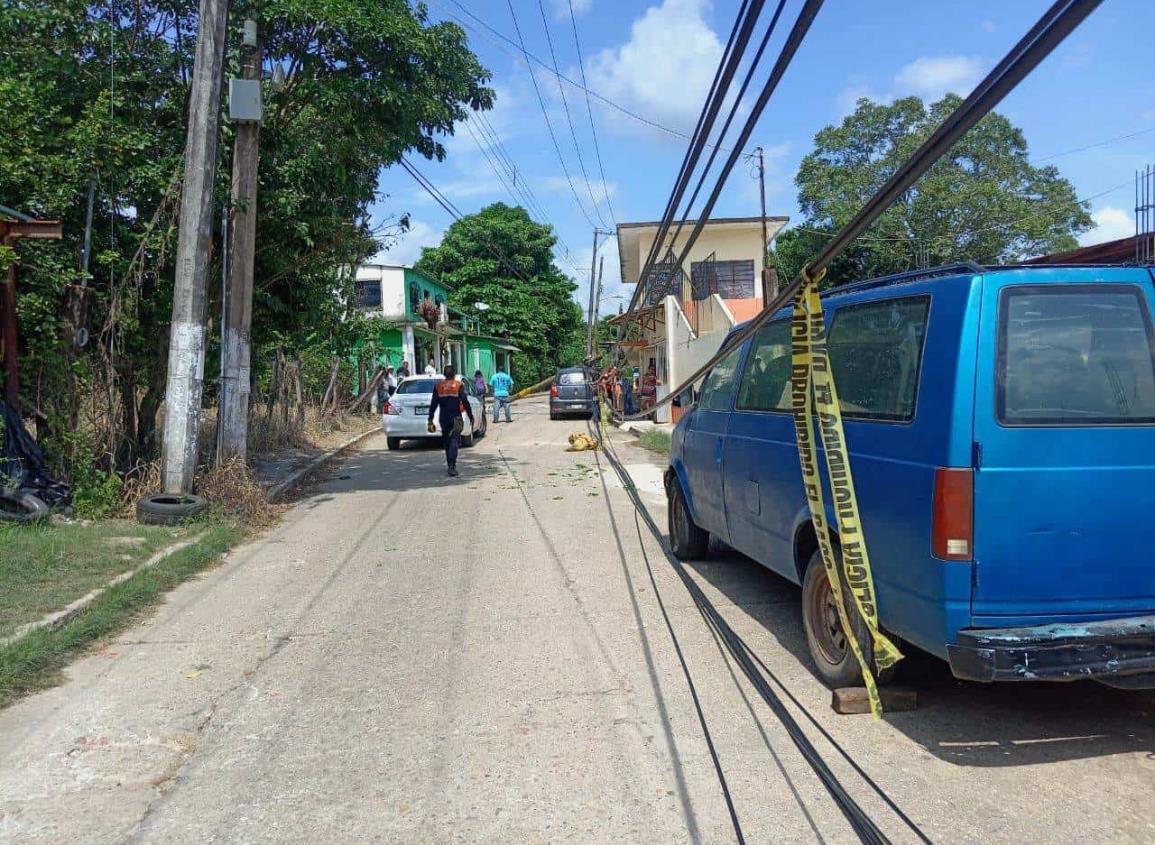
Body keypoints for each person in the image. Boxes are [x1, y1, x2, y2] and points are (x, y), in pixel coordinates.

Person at [426, 365, 474, 477]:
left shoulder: (438, 387)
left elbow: (433, 404)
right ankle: (452, 465)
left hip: (444, 418)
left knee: (447, 441)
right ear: (454, 374)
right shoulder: (458, 385)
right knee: (454, 440)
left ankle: (450, 464)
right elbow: (465, 402)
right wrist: (470, 415)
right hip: (456, 417)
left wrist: (430, 418)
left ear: (444, 374)